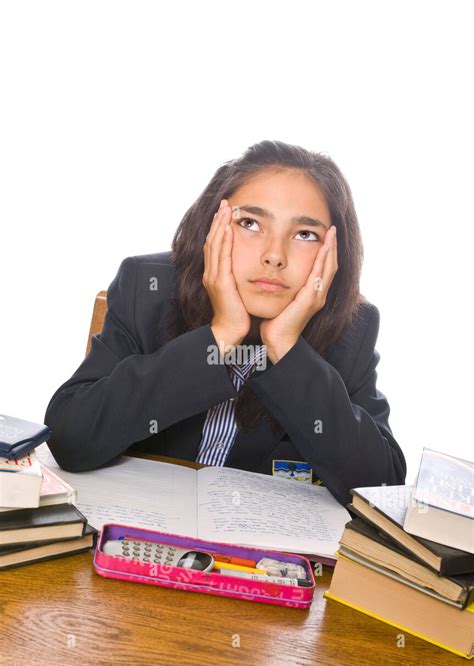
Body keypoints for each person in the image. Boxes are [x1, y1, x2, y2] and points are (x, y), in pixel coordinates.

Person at [44, 139, 407, 507]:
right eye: (250, 223)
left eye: (304, 235)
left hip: (258, 557)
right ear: (212, 227)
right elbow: (70, 439)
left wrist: (287, 347)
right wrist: (220, 335)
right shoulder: (146, 289)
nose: (274, 256)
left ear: (334, 253)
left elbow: (379, 490)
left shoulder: (353, 330)